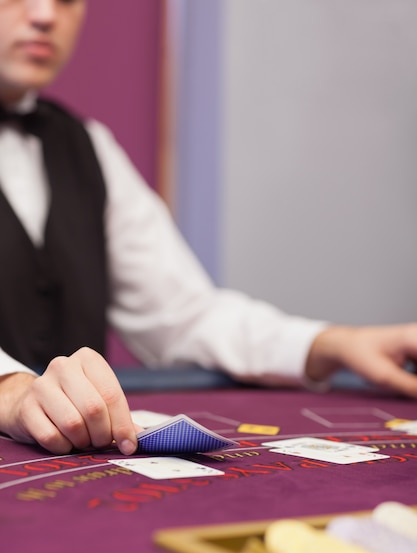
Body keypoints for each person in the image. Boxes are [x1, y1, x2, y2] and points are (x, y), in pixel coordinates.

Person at [0, 0, 416, 458]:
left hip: (76, 483)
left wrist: (333, 344)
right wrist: (12, 391)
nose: (44, 14)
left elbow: (185, 317)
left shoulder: (87, 144)